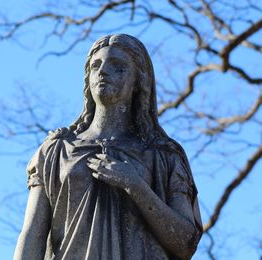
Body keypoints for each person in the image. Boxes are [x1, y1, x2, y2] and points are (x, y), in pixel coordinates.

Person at [14, 34, 202, 260]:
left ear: (138, 82)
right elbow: (32, 233)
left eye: (118, 67)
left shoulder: (163, 155)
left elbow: (186, 243)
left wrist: (135, 185)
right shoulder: (56, 150)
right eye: (96, 66)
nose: (103, 71)